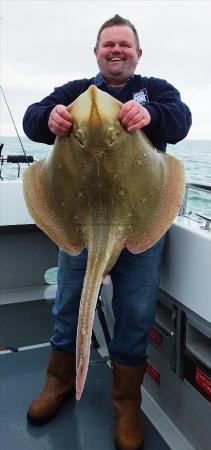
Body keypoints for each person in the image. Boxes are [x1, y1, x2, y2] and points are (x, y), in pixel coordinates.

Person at [23, 14, 191, 450]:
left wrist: (149, 114)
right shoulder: (77, 91)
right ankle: (57, 383)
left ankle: (126, 406)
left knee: (135, 313)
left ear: (137, 53)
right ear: (97, 52)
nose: (116, 51)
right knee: (68, 305)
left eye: (125, 45)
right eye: (108, 45)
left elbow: (181, 120)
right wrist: (51, 120)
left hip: (138, 218)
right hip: (79, 216)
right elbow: (32, 117)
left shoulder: (155, 90)